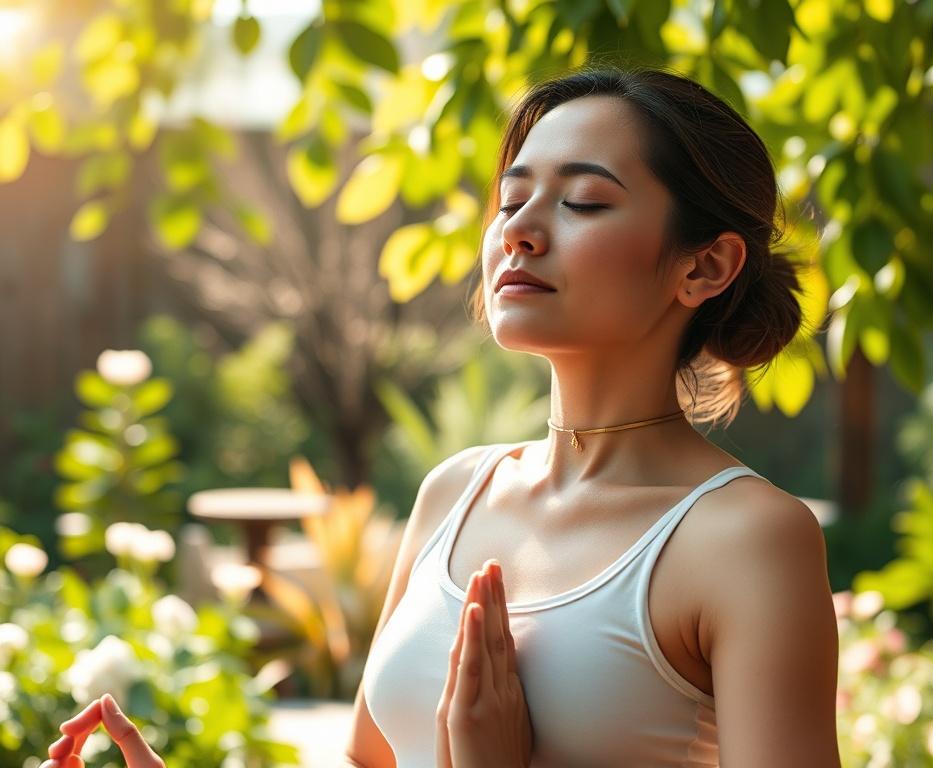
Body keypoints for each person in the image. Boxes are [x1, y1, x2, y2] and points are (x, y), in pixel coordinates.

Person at [46, 67, 841, 768]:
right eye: (510, 200)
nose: (521, 232)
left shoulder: (746, 540)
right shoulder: (455, 490)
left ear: (704, 266)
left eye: (584, 201)